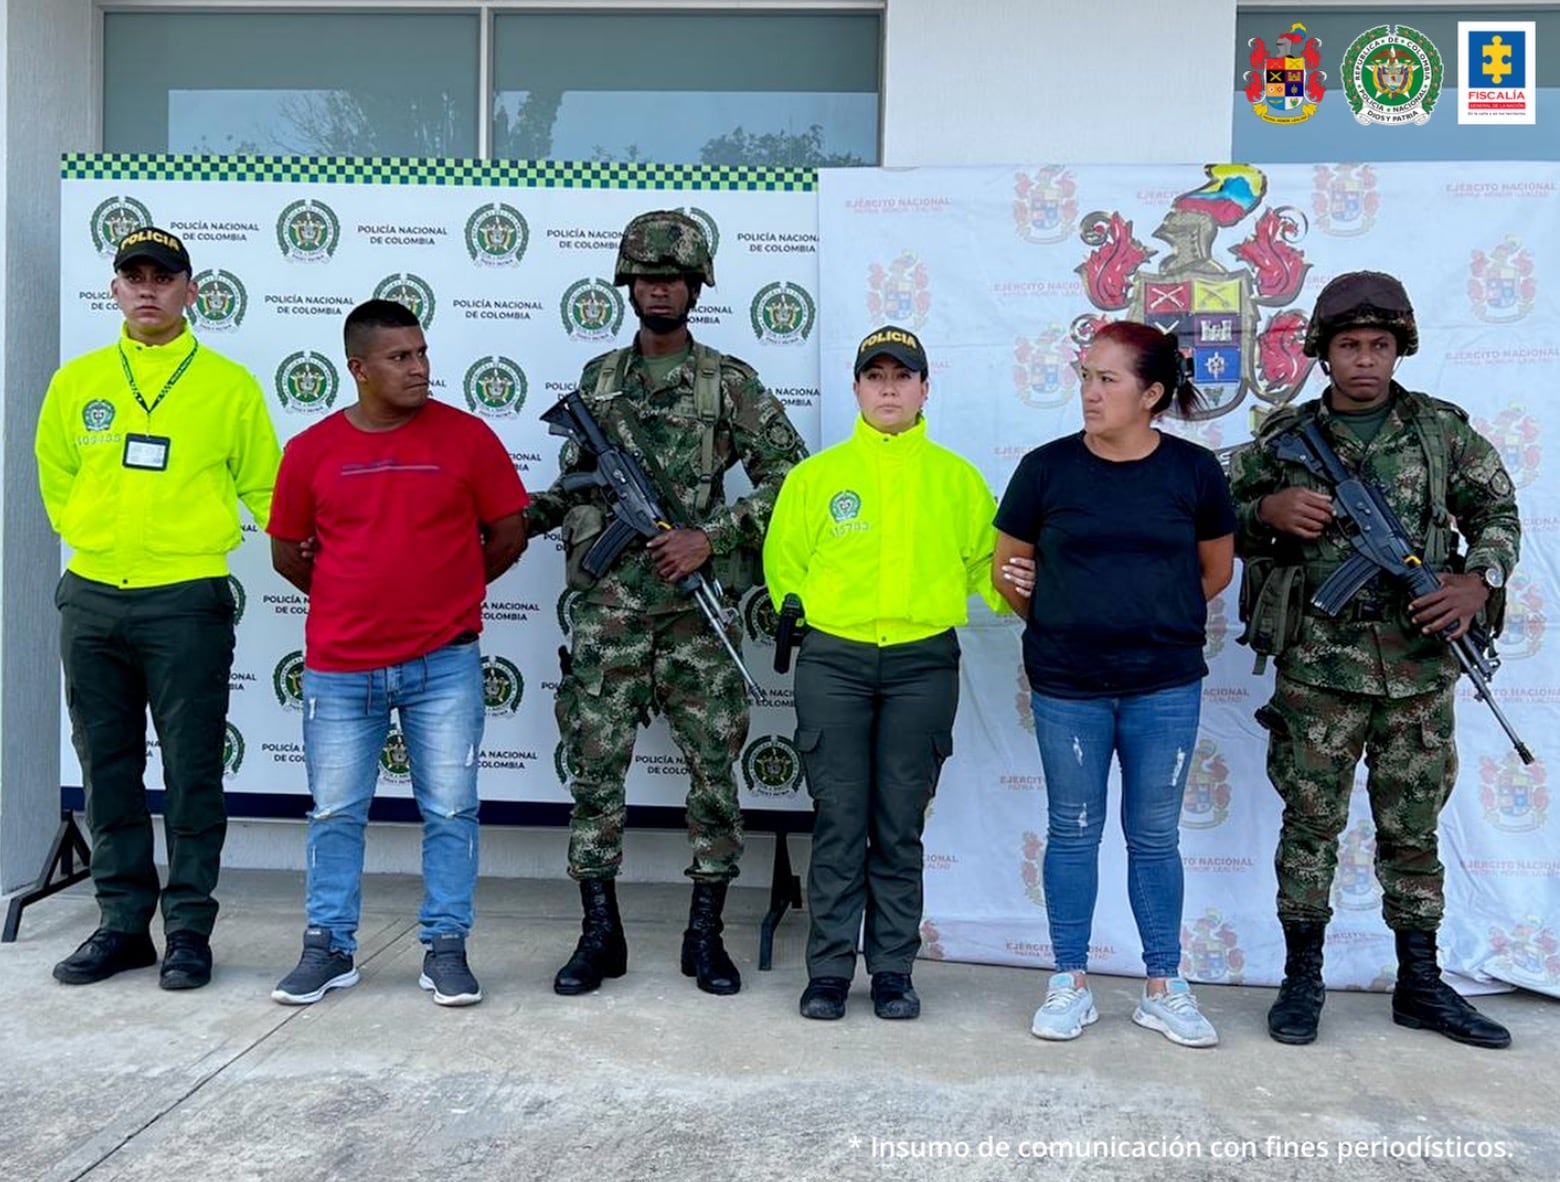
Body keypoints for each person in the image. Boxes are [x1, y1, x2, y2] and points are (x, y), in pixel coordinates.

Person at [1228, 271, 1520, 1050]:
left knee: (1412, 830)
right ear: (1323, 353)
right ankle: (1302, 980)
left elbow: (1498, 511)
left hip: (1420, 666)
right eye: (1350, 345)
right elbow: (1209, 509)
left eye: (1380, 345)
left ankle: (1420, 983)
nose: (1365, 359)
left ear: (1400, 350)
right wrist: (1266, 510)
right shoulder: (1284, 438)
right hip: (1319, 669)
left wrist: (1477, 581)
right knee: (1310, 824)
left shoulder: (1440, 431)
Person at [527, 209, 807, 998]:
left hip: (695, 615)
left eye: (673, 277)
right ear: (628, 284)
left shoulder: (730, 383)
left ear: (695, 288)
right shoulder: (598, 381)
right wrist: (521, 518)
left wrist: (708, 536)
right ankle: (599, 935)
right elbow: (576, 484)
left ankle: (704, 935)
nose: (659, 288)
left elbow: (795, 479)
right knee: (595, 772)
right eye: (646, 276)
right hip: (608, 614)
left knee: (714, 774)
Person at [35, 226, 281, 990]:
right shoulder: (78, 381)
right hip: (93, 596)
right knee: (106, 766)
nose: (148, 289)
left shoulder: (229, 386)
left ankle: (188, 931)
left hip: (185, 599)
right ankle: (121, 925)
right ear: (114, 289)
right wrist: (95, 537)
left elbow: (268, 490)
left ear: (190, 291)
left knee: (191, 769)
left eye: (163, 277)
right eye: (134, 276)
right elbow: (57, 477)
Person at [267, 299, 528, 1007]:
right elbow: (287, 553)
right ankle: (328, 947)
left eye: (421, 352)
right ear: (359, 368)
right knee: (334, 813)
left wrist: (447, 593)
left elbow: (509, 533)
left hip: (445, 664)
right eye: (399, 357)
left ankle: (446, 948)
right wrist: (355, 599)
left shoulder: (467, 438)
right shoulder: (311, 450)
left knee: (451, 811)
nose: (418, 368)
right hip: (339, 669)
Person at [993, 320, 1235, 1048]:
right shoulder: (1045, 469)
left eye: (1107, 379)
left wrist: (1150, 615)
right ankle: (1069, 980)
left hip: (1165, 684)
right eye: (1086, 376)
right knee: (1072, 829)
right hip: (1068, 685)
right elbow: (1009, 572)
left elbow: (1215, 571)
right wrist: (1068, 618)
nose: (1090, 392)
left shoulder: (1194, 472)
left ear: (1152, 394)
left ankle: (1164, 986)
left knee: (1155, 835)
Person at [763, 326, 1000, 1021]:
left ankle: (893, 970)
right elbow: (784, 566)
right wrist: (811, 615)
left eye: (902, 377)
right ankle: (829, 972)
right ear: (857, 388)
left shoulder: (957, 480)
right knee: (839, 820)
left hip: (922, 663)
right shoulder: (816, 478)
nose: (888, 389)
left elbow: (993, 568)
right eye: (876, 376)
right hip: (834, 662)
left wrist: (1044, 590)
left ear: (926, 388)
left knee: (899, 824)